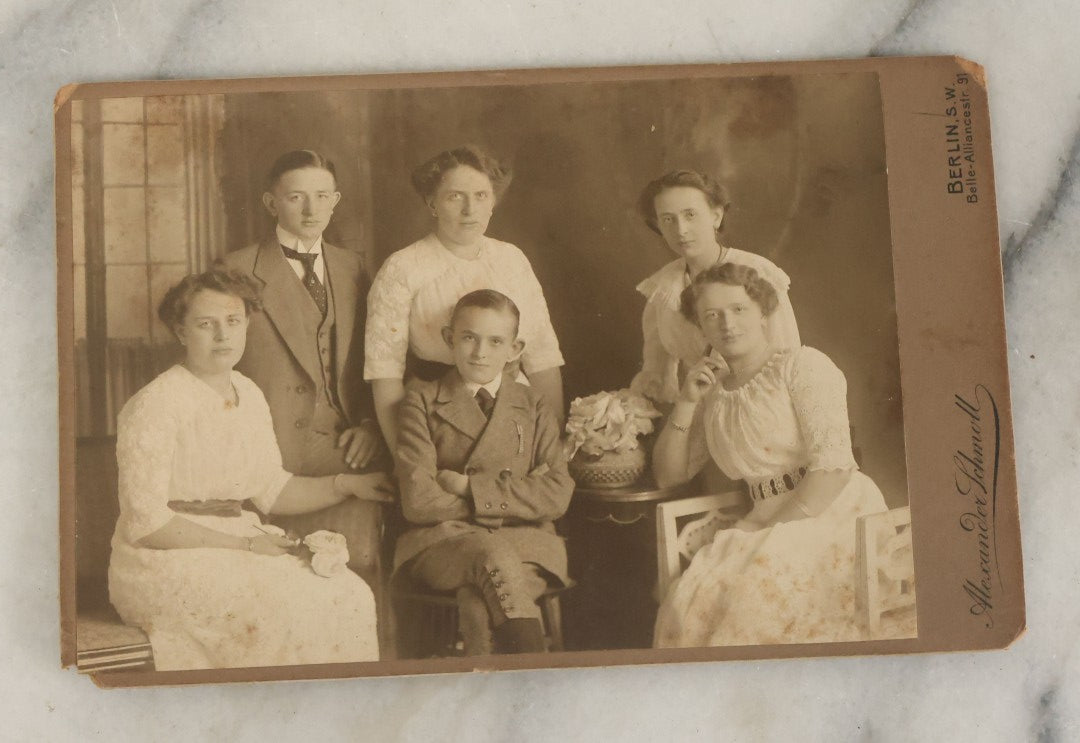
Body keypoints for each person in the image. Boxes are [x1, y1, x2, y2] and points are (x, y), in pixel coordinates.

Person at [108, 269, 389, 670]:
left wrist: (347, 485)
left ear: (246, 325)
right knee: (274, 610)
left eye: (233, 321)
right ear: (181, 332)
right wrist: (246, 546)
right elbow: (148, 525)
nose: (222, 335)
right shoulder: (155, 404)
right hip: (161, 561)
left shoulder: (249, 393)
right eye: (206, 324)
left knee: (349, 594)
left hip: (237, 545)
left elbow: (271, 489)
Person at [651, 263, 889, 647]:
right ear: (701, 327)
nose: (727, 324)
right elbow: (669, 476)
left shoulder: (801, 366)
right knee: (690, 600)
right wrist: (686, 402)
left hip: (833, 513)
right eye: (712, 315)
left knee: (751, 601)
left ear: (762, 312)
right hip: (762, 521)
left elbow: (832, 469)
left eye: (738, 309)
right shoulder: (712, 393)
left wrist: (768, 531)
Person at [221, 149, 386, 585]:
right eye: (296, 197)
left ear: (336, 200)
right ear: (271, 203)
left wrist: (369, 424)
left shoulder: (353, 268)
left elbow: (371, 361)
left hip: (348, 440)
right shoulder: (236, 269)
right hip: (274, 446)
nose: (311, 209)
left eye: (322, 196)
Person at [393, 290, 573, 655]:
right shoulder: (421, 400)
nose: (480, 352)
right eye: (469, 338)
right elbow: (419, 501)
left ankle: (488, 683)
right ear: (449, 339)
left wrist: (468, 488)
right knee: (490, 549)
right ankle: (537, 673)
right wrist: (514, 501)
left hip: (527, 545)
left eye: (495, 341)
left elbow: (556, 494)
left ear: (515, 349)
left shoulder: (532, 404)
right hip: (443, 544)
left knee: (477, 605)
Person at [365, 145, 565, 449]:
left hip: (515, 413)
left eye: (481, 195)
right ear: (432, 203)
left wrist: (552, 445)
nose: (470, 209)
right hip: (437, 418)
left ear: (493, 201)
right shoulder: (403, 267)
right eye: (455, 197)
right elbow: (385, 373)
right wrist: (405, 457)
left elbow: (543, 359)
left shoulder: (512, 259)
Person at [630, 169, 801, 405]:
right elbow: (656, 377)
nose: (681, 230)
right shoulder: (663, 287)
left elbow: (788, 361)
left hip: (760, 407)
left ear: (716, 216)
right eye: (668, 219)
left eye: (690, 215)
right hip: (695, 411)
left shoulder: (757, 273)